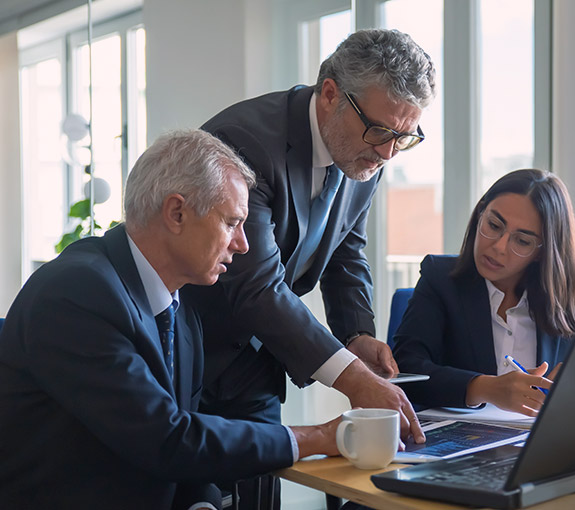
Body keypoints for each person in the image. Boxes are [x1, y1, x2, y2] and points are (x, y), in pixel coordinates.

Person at [0, 130, 342, 510]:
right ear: (176, 213)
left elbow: (188, 455)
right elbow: (165, 439)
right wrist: (317, 437)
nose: (243, 244)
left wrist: (203, 506)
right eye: (232, 222)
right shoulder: (75, 292)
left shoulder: (182, 312)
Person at [183, 29, 436, 441]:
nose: (388, 153)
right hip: (188, 350)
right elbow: (257, 286)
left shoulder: (366, 151)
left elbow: (345, 250)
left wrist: (357, 335)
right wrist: (351, 378)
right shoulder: (245, 143)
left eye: (403, 137)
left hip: (259, 356)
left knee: (261, 484)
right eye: (380, 132)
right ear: (331, 94)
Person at [392, 169, 575, 416]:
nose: (498, 247)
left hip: (542, 443)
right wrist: (484, 388)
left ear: (542, 251)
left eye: (522, 241)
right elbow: (407, 370)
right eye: (494, 225)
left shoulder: (572, 289)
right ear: (480, 213)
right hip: (463, 443)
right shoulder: (440, 279)